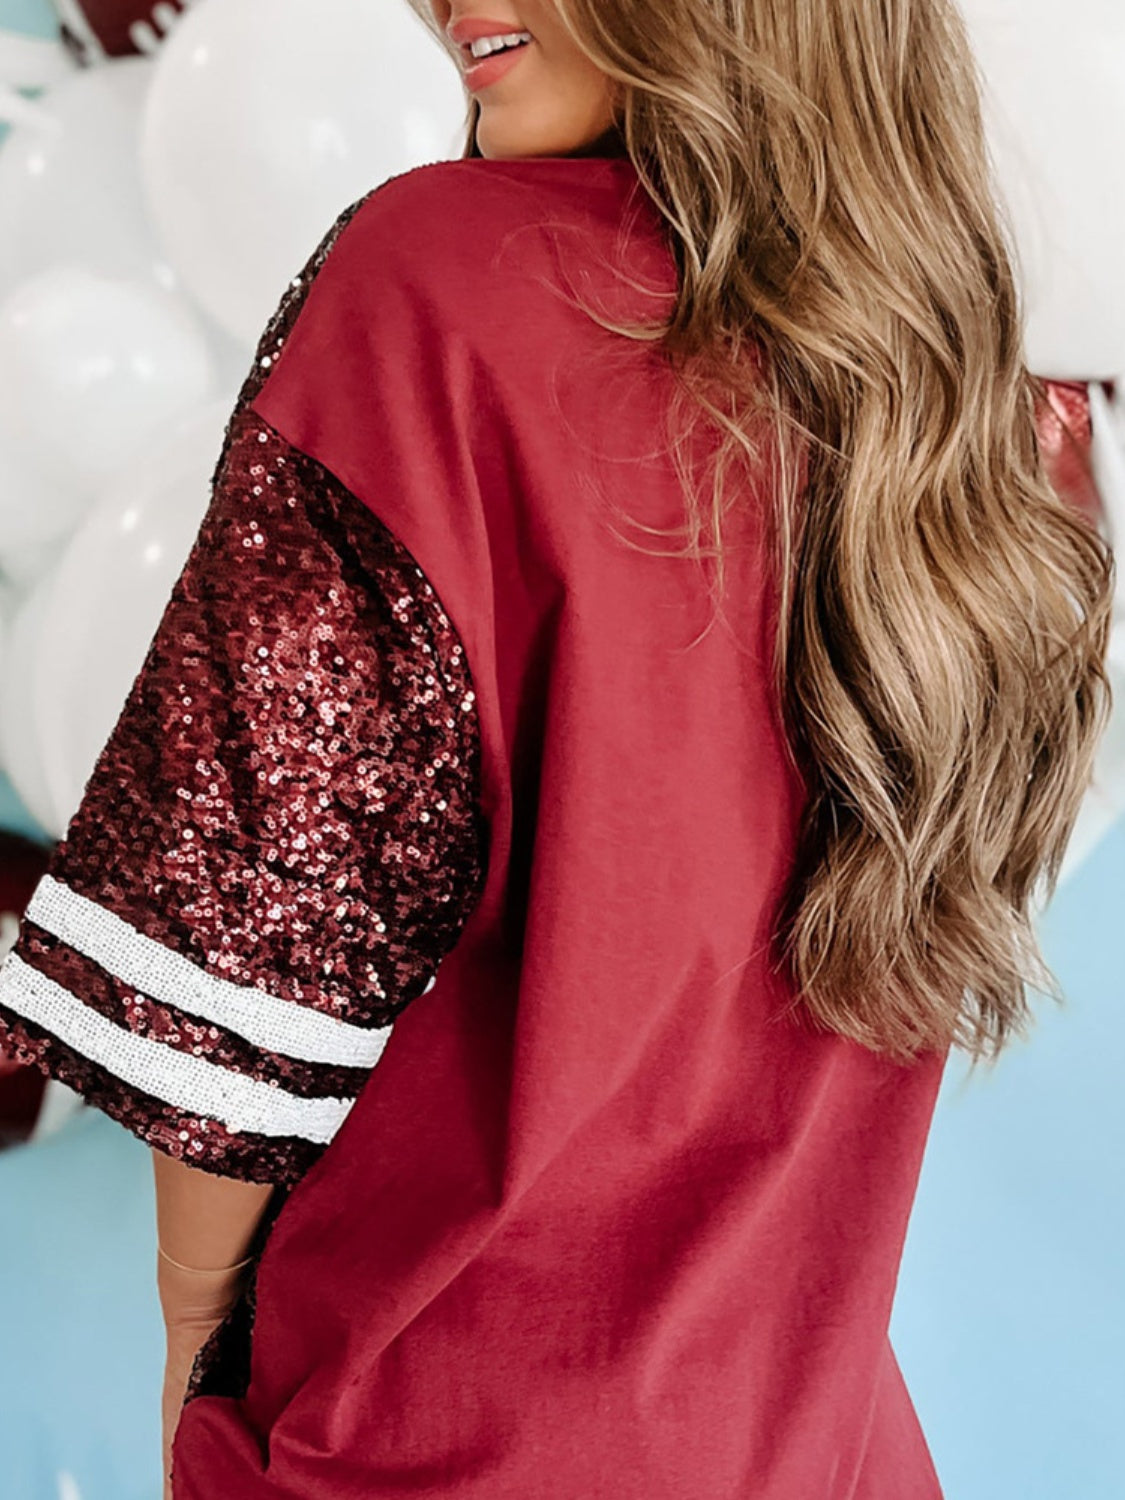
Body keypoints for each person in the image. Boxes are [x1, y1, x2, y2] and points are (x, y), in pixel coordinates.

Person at [0, 1, 1113, 1495]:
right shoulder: (957, 376)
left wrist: (196, 1334)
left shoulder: (435, 285)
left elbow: (231, 988)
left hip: (424, 1443)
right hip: (824, 1447)